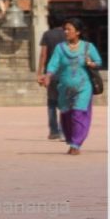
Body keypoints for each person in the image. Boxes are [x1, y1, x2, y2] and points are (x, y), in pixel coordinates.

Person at [40, 18, 102, 155]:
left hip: (83, 87)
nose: (66, 32)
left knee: (79, 114)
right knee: (67, 115)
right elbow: (53, 64)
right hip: (64, 88)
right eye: (65, 29)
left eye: (69, 29)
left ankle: (76, 144)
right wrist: (48, 76)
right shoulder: (60, 48)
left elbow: (98, 61)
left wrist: (92, 64)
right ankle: (71, 139)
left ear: (78, 32)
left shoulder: (88, 47)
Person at [36, 21, 66, 141]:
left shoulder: (47, 34)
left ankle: (54, 132)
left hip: (51, 72)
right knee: (65, 103)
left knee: (52, 102)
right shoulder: (68, 34)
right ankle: (64, 131)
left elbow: (43, 54)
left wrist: (39, 72)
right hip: (65, 72)